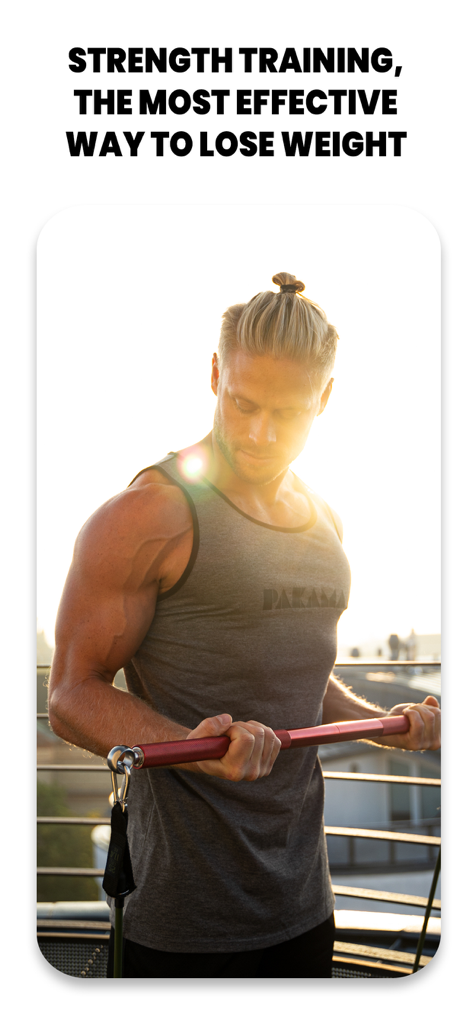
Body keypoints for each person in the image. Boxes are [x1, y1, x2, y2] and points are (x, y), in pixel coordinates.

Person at [48, 272, 441, 978]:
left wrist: (387, 722)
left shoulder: (325, 520)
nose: (259, 433)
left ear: (324, 399)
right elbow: (71, 696)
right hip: (181, 921)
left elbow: (300, 682)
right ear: (212, 375)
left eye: (286, 414)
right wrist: (187, 744)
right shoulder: (146, 516)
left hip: (301, 903)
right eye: (241, 403)